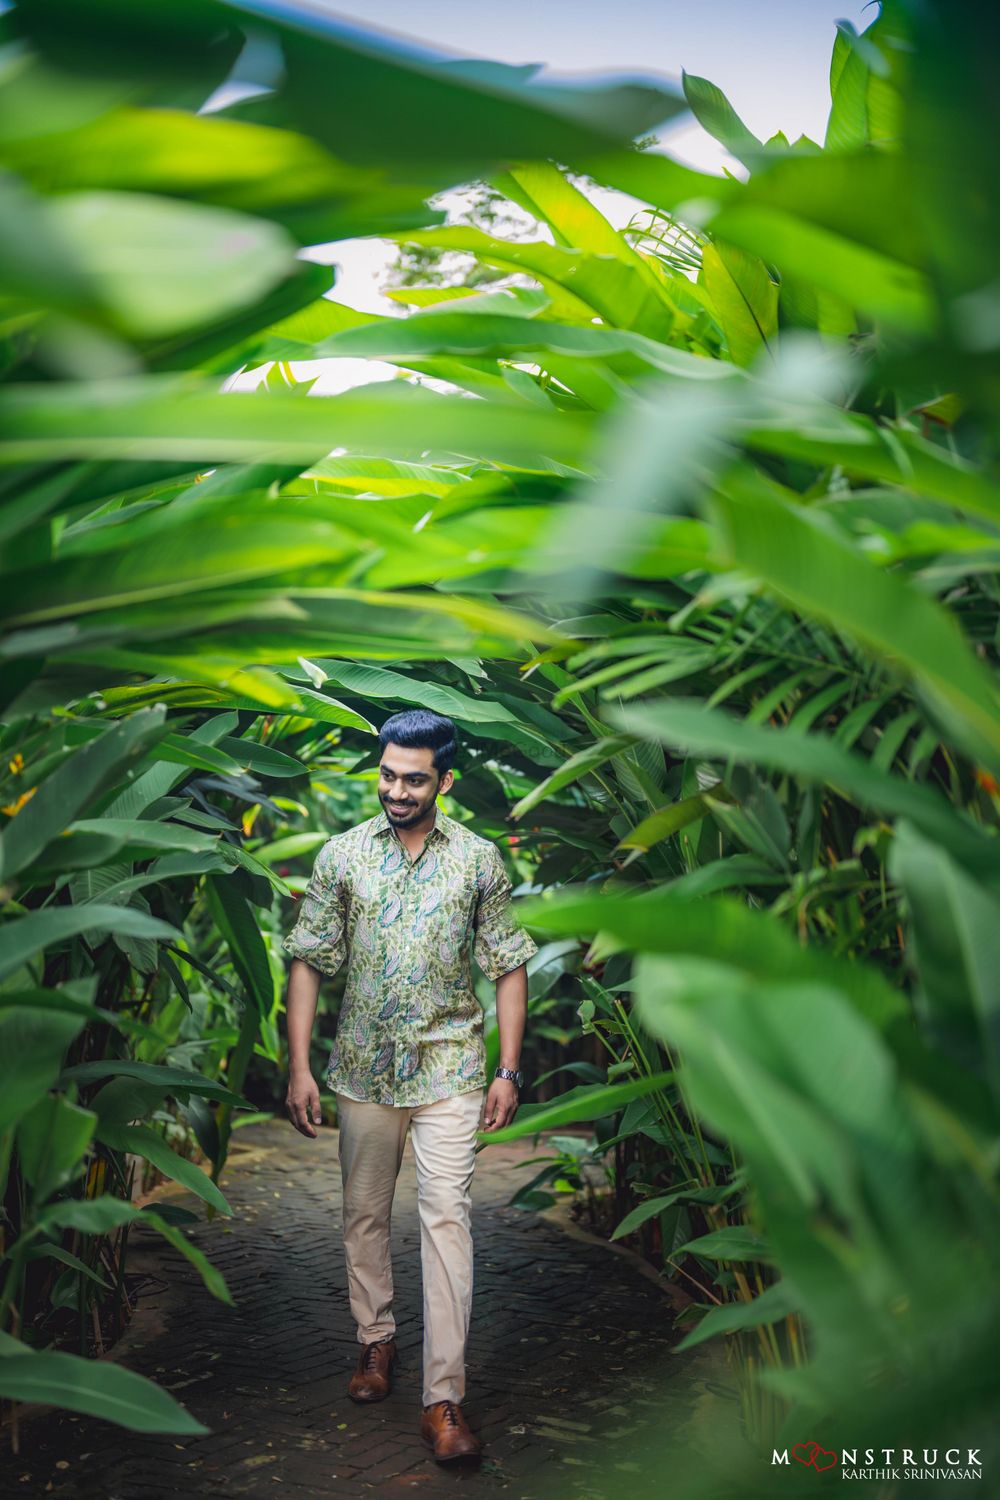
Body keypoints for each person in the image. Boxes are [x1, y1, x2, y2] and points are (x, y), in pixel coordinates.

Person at [282, 709, 538, 1466]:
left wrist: (507, 1070)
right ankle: (375, 1341)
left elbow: (508, 963)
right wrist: (299, 1065)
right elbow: (309, 960)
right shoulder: (342, 857)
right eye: (388, 773)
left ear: (445, 780)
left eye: (413, 778)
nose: (396, 789)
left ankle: (443, 1397)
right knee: (363, 1214)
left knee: (446, 1221)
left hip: (451, 1070)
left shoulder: (479, 861)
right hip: (362, 1070)